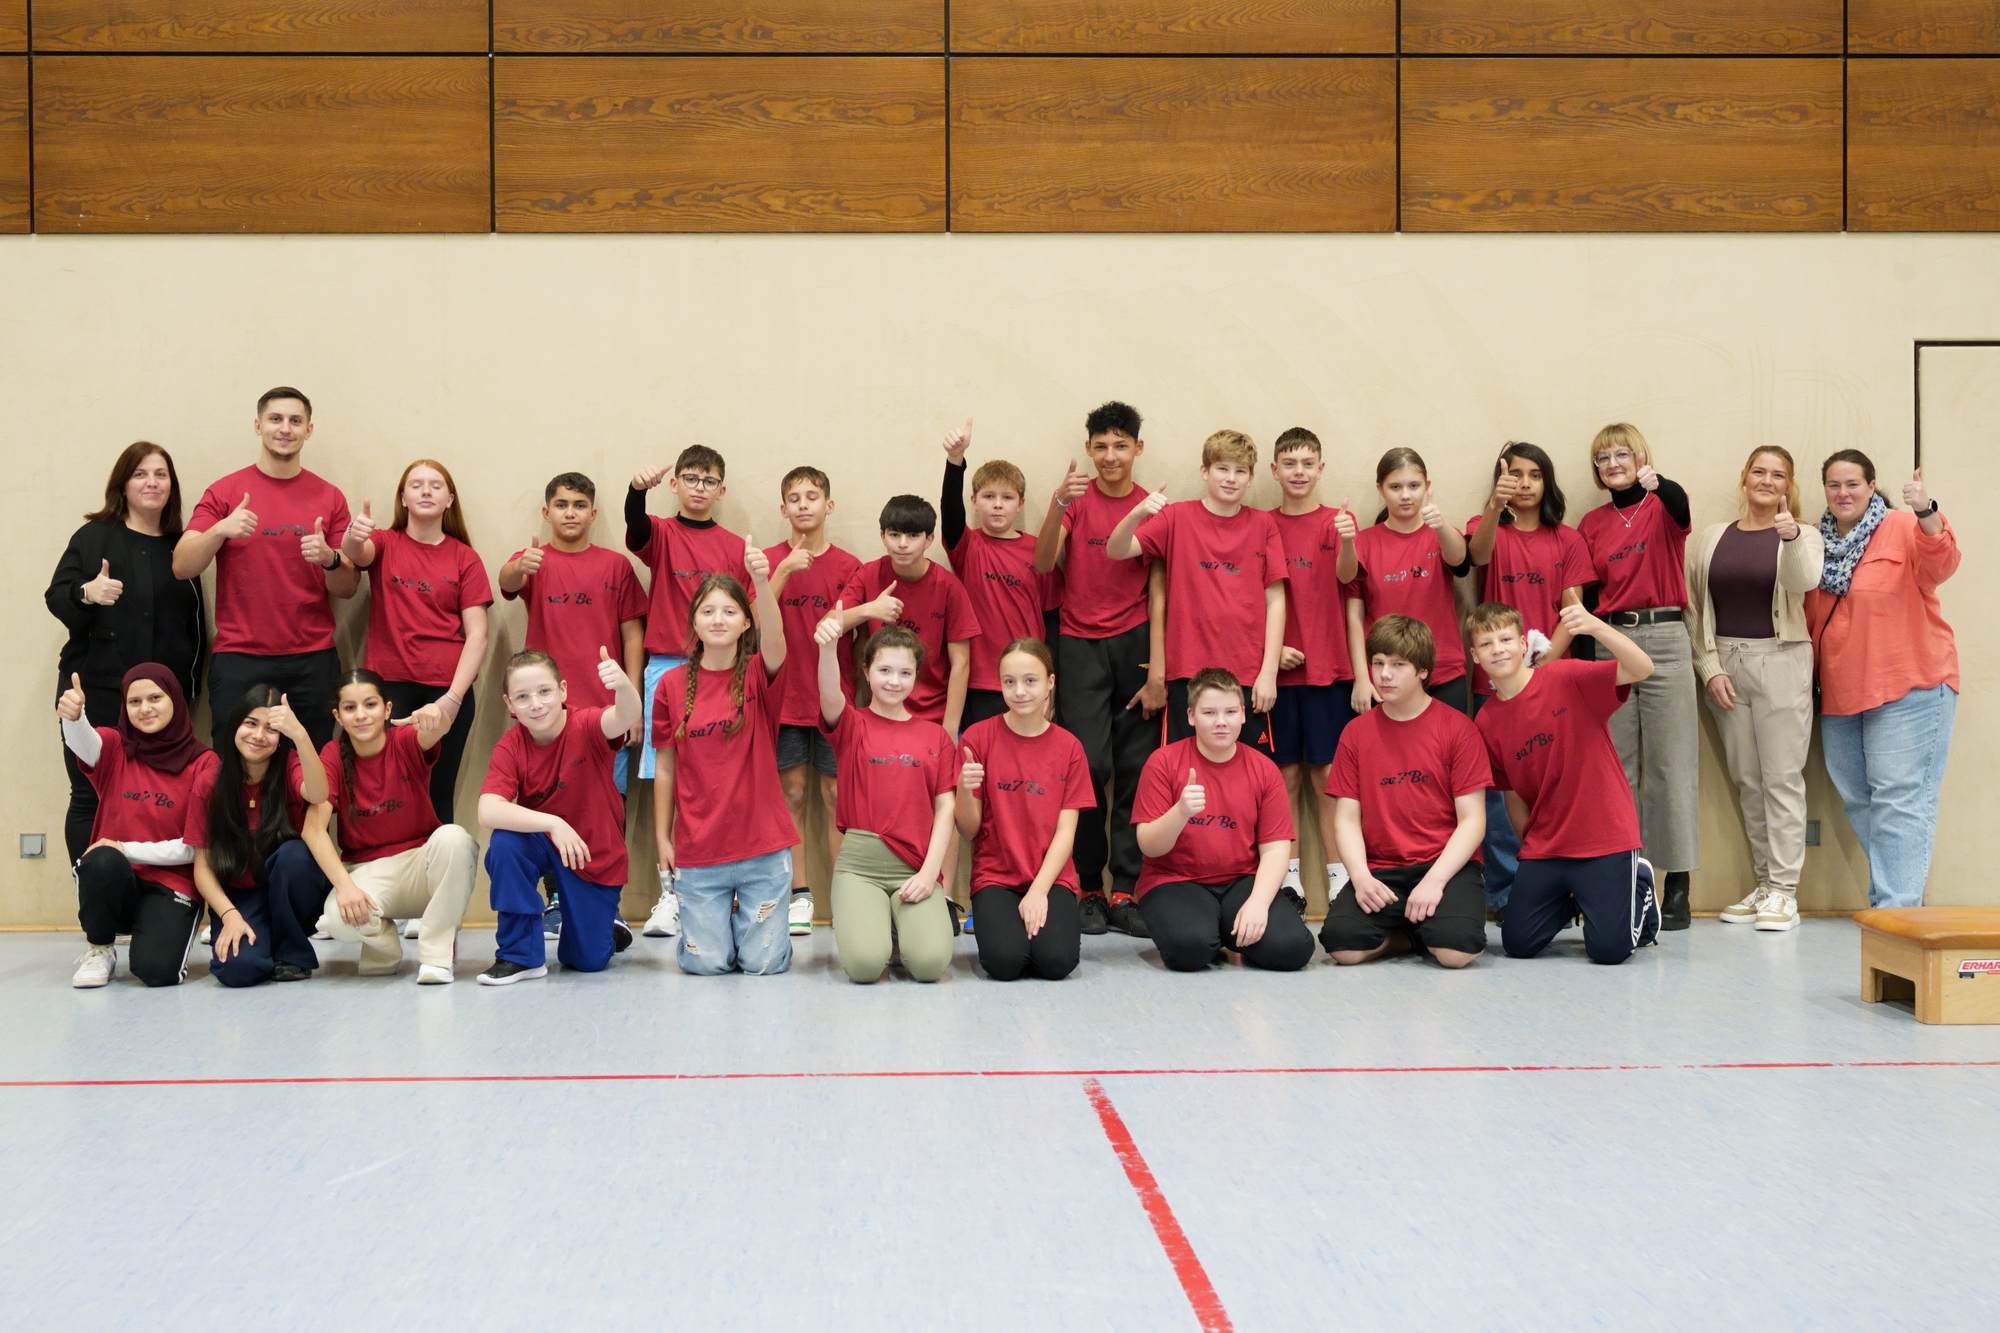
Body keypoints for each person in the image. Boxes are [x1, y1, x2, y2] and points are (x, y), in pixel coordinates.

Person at [1030, 400, 1167, 938]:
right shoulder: (1076, 501)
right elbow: (1044, 562)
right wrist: (1056, 504)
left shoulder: (1150, 505)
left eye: (1121, 446)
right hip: (1078, 643)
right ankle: (1088, 884)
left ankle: (1125, 888)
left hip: (1135, 643)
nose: (1111, 456)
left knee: (1136, 767)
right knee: (1087, 766)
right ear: (1089, 449)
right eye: (1101, 446)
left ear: (1138, 448)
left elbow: (1159, 592)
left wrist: (1158, 669)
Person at [496, 471, 648, 938]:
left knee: (609, 809)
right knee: (550, 809)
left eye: (579, 505)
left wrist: (634, 699)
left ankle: (607, 902)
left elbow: (633, 634)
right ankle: (558, 900)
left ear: (593, 513)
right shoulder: (533, 561)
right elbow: (505, 582)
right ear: (546, 512)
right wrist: (520, 568)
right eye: (561, 505)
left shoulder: (616, 567)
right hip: (546, 719)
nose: (570, 513)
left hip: (604, 717)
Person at [1805, 451, 1959, 909]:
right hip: (1840, 692)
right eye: (1834, 484)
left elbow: (1942, 563)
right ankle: (1892, 903)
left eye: (1853, 483)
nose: (1843, 493)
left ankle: (1897, 911)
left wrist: (1926, 510)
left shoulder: (1902, 526)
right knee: (1861, 801)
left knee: (1899, 801)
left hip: (1908, 685)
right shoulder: (1813, 541)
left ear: (1871, 486)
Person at [1467, 602, 1661, 964]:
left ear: (1523, 644)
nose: (1497, 649)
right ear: (1475, 656)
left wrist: (1596, 627)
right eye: (1486, 644)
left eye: (1505, 639)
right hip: (1548, 847)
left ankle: (1637, 884)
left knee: (1609, 952)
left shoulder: (1566, 677)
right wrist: (1529, 846)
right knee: (1518, 943)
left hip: (1604, 839)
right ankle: (1582, 896)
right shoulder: (1487, 720)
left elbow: (1642, 668)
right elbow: (1511, 793)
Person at [1685, 447, 1825, 931]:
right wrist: (1709, 668)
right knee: (1747, 778)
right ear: (1744, 477)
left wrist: (1790, 538)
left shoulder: (1803, 534)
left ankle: (1785, 891)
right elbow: (1694, 607)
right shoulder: (1712, 537)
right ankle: (1766, 884)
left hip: (1783, 661)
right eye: (1759, 472)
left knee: (1781, 779)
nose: (1767, 480)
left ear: (1789, 485)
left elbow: (1804, 580)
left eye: (1778, 475)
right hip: (1727, 665)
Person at [46, 441, 206, 865]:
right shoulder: (93, 536)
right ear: (123, 484)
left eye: (160, 474)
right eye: (140, 474)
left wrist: (190, 690)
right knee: (88, 794)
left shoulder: (182, 546)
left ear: (171, 486)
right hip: (96, 691)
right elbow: (57, 598)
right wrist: (87, 593)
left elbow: (195, 626)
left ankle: (150, 889)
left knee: (159, 797)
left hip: (161, 702)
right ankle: (90, 887)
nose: (151, 483)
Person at [175, 387, 357, 750]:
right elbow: (182, 565)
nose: (285, 428)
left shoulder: (330, 496)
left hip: (311, 660)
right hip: (240, 658)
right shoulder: (225, 491)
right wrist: (219, 530)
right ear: (258, 426)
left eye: (295, 421)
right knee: (234, 767)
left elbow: (347, 587)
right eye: (275, 419)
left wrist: (330, 558)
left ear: (309, 430)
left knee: (311, 766)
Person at [654, 553, 800, 977]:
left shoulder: (758, 673)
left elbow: (777, 640)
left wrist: (762, 580)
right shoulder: (670, 685)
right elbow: (665, 767)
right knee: (707, 963)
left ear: (746, 623)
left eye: (730, 611)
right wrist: (663, 837)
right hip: (700, 848)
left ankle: (756, 930)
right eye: (708, 611)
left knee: (763, 964)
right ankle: (716, 928)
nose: (718, 619)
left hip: (762, 847)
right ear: (694, 623)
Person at [1577, 422, 1698, 929]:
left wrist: (1659, 483)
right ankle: (1627, 873)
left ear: (1642, 458)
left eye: (1621, 454)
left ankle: (1678, 886)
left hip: (1666, 635)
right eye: (1603, 458)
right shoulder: (1591, 523)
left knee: (1672, 765)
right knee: (1617, 764)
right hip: (1612, 639)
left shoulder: (1662, 506)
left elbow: (1680, 504)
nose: (1612, 464)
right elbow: (1586, 595)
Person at [1464, 440, 1591, 916]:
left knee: (1557, 787)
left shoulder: (1568, 539)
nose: (1524, 483)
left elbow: (1572, 611)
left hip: (1550, 682)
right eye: (1515, 474)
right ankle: (1506, 893)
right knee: (1500, 794)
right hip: (1493, 686)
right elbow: (1476, 556)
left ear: (1547, 483)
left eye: (1534, 475)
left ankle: (1563, 885)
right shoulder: (1486, 526)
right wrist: (1494, 505)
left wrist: (1538, 667)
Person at [627, 445, 748, 939]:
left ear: (722, 490)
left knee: (719, 782)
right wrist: (637, 491)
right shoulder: (662, 533)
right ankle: (670, 893)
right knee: (667, 782)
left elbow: (746, 613)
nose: (700, 487)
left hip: (723, 669)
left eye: (709, 480)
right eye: (691, 479)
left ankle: (725, 891)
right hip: (667, 667)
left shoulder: (736, 547)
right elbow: (636, 527)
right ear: (675, 484)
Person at [1321, 617, 1490, 970]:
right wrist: (1361, 877)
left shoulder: (1458, 729)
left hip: (1444, 865)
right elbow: (1346, 819)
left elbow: (1473, 820)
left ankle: (1430, 929)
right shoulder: (1355, 733)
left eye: (1398, 665)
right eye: (1378, 663)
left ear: (1423, 671)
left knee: (1455, 952)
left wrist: (1435, 881)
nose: (1384, 675)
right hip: (1383, 869)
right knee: (1342, 947)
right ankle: (1409, 937)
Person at [1109, 429, 1286, 754]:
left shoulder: (1263, 525)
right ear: (1204, 471)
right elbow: (1117, 550)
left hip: (1246, 673)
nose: (1230, 478)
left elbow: (1275, 601)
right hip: (1187, 672)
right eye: (1222, 468)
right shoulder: (1176, 516)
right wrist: (1137, 514)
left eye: (1240, 471)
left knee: (1247, 771)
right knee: (1186, 770)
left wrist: (1268, 673)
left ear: (1250, 478)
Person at [476, 649, 643, 985]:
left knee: (586, 961)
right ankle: (520, 956)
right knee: (505, 845)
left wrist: (624, 687)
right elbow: (488, 809)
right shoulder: (511, 746)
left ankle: (601, 926)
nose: (536, 704)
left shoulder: (587, 725)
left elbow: (624, 716)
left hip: (591, 851)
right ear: (509, 705)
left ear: (563, 691)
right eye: (523, 697)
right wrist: (553, 823)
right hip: (545, 841)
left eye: (544, 691)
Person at [1130, 668, 1313, 972]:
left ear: (1243, 714)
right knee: (1190, 949)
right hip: (1175, 881)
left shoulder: (1264, 769)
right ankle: (1212, 931)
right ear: (1191, 716)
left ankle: (1228, 929)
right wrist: (1180, 812)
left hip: (1241, 881)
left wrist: (1258, 903)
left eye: (1230, 712)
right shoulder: (1162, 763)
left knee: (1292, 948)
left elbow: (1276, 848)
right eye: (1209, 713)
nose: (1221, 722)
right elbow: (1149, 846)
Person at [341, 459, 492, 824]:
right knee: (385, 793)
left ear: (449, 500)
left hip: (447, 691)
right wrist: (353, 535)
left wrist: (453, 699)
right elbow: (356, 553)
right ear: (403, 498)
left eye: (436, 485)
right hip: (388, 690)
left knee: (436, 795)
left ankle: (441, 861)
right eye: (416, 485)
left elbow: (478, 635)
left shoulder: (465, 558)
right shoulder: (384, 542)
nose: (426, 491)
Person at [302, 669, 477, 984]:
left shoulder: (405, 740)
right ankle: (383, 948)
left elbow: (439, 728)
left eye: (370, 705)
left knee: (455, 839)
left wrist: (437, 714)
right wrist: (345, 887)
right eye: (350, 708)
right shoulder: (332, 755)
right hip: (368, 872)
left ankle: (437, 957)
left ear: (387, 709)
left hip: (420, 866)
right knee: (335, 920)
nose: (361, 715)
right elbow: (313, 830)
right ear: (338, 716)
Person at [815, 614, 959, 984]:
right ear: (866, 672)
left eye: (905, 673)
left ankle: (896, 927)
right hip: (860, 868)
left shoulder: (936, 737)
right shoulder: (852, 725)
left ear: (916, 676)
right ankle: (878, 926)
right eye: (884, 670)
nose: (894, 681)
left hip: (915, 865)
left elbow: (945, 808)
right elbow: (830, 695)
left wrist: (929, 874)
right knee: (865, 967)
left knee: (930, 966)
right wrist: (828, 650)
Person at [58, 665, 217, 989]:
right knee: (101, 860)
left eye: (155, 698)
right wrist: (73, 718)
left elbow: (193, 848)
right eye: (135, 701)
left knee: (158, 972)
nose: (145, 708)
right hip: (118, 878)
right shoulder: (116, 747)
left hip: (172, 883)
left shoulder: (205, 763)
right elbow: (85, 744)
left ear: (175, 699)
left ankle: (159, 934)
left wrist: (125, 849)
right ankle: (100, 947)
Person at [957, 639, 1094, 981]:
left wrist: (1039, 891)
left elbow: (1066, 832)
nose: (1019, 691)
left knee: (1056, 962)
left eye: (1030, 681)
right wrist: (964, 789)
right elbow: (968, 830)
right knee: (1004, 963)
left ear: (1050, 682)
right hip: (996, 877)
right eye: (1009, 681)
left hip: (1051, 877)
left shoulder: (1069, 747)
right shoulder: (977, 738)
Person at [1265, 427, 1360, 907]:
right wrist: (1269, 653)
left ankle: (1341, 882)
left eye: (1307, 463)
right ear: (1274, 470)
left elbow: (1348, 578)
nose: (1298, 472)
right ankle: (1288, 883)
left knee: (1327, 780)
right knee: (1283, 779)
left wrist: (1347, 542)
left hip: (1330, 672)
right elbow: (1249, 598)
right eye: (1289, 463)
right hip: (1276, 677)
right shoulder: (1261, 524)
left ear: (1320, 469)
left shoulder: (1338, 522)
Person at [767, 466, 861, 937]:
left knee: (836, 796)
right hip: (782, 700)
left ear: (829, 505)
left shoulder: (849, 566)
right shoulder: (768, 560)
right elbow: (752, 618)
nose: (803, 504)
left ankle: (847, 898)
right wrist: (783, 570)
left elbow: (858, 634)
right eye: (794, 498)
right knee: (792, 794)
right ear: (782, 508)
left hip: (832, 702)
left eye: (812, 496)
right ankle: (799, 895)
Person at [187, 686, 333, 987]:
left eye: (271, 729)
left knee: (294, 855)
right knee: (239, 971)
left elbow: (319, 793)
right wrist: (229, 915)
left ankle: (292, 953)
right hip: (241, 896)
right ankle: (266, 941)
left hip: (288, 887)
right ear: (235, 726)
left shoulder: (290, 764)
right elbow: (202, 867)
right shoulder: (210, 781)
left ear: (281, 738)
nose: (258, 735)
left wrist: (300, 735)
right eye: (250, 723)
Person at [939, 419, 1056, 730]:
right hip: (980, 682)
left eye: (1007, 498)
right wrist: (955, 461)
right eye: (989, 497)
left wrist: (1050, 685)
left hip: (1029, 682)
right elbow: (950, 513)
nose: (998, 505)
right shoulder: (967, 546)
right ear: (974, 502)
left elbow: (1052, 621)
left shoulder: (1040, 551)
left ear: (1020, 504)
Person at [834, 495, 980, 737]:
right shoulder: (868, 574)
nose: (902, 544)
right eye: (894, 534)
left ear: (929, 539)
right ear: (883, 536)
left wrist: (949, 730)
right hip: (878, 713)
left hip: (931, 717)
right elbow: (826, 626)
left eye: (913, 536)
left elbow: (961, 663)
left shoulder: (948, 587)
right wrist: (869, 609)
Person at [1348, 448, 1473, 714]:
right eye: (1395, 487)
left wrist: (1440, 525)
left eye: (1414, 486)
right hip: (1386, 675)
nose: (1405, 495)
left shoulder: (1441, 534)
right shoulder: (1364, 542)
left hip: (1443, 670)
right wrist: (1361, 676)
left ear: (1427, 487)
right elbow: (1354, 616)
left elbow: (1459, 559)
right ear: (1380, 489)